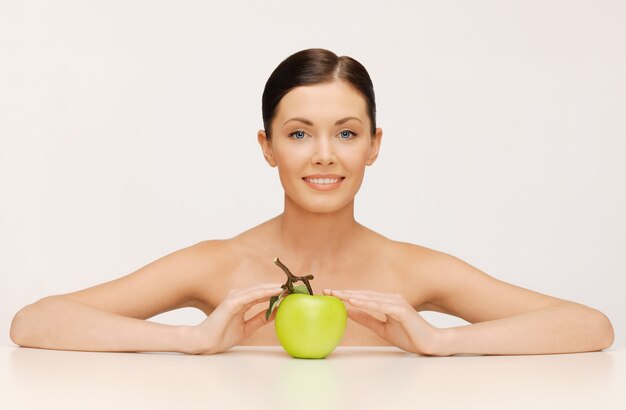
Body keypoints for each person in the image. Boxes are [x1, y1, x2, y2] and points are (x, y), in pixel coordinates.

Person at [10, 48, 614, 356]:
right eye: (299, 133)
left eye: (346, 133)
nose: (324, 154)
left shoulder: (412, 272)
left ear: (374, 146)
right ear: (267, 147)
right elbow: (34, 322)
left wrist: (439, 340)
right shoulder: (217, 265)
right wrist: (191, 341)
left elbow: (590, 327)